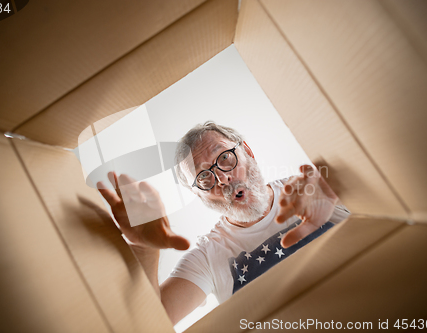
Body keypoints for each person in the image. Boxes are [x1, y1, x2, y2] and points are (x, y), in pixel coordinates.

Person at [97, 121, 349, 325]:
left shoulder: (314, 188)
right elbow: (153, 324)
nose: (223, 179)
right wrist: (145, 250)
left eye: (226, 158)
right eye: (204, 177)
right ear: (199, 194)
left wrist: (349, 187)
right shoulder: (207, 257)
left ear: (247, 151)